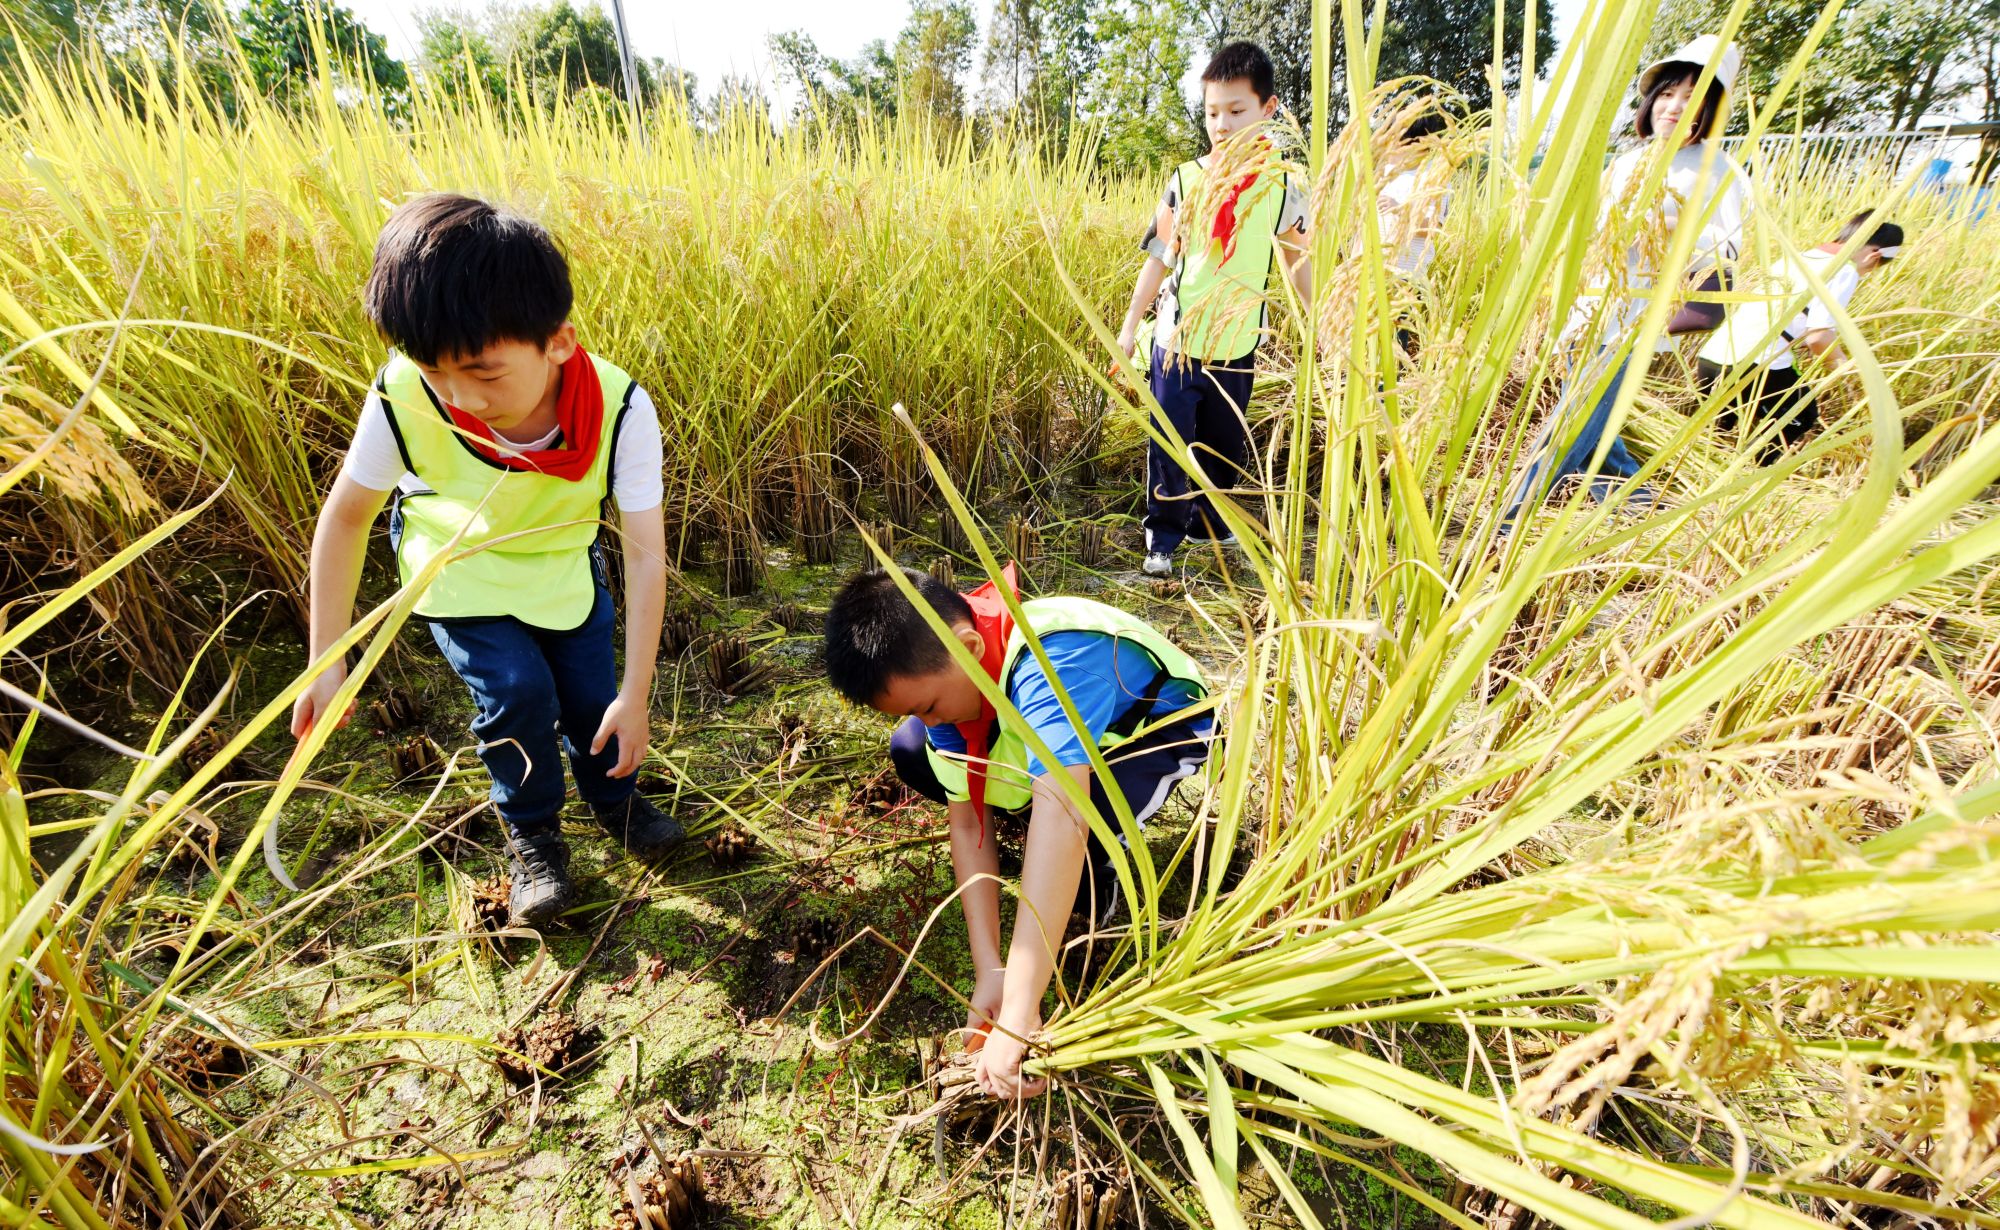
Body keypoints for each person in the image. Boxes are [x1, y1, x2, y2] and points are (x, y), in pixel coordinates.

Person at [291, 194, 683, 927]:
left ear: (558, 342)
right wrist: (328, 661)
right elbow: (344, 520)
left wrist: (638, 694)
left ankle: (617, 803)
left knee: (595, 698)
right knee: (516, 690)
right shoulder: (403, 396)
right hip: (458, 567)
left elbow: (645, 555)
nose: (461, 399)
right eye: (437, 373)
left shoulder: (623, 408)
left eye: (483, 372)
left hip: (562, 568)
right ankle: (533, 835)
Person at [822, 567, 1213, 1099]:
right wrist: (992, 969)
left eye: (930, 706)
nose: (933, 718)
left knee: (1081, 824)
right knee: (913, 748)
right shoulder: (952, 675)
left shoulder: (1053, 659)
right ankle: (1046, 844)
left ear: (968, 645)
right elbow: (967, 820)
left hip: (1151, 730)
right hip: (1054, 745)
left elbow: (1064, 812)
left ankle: (1098, 871)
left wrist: (1022, 1009)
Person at [1504, 34, 1750, 526]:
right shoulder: (1628, 164)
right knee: (1597, 427)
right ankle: (1642, 505)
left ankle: (1507, 521)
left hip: (1630, 324)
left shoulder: (1717, 172)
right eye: (1666, 93)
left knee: (1572, 426)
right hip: (1584, 313)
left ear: (1713, 108)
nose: (1675, 106)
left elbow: (1720, 263)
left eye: (1691, 96)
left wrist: (1660, 322)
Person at [1113, 40, 1312, 578]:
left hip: (1237, 346)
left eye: (1236, 110)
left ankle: (1208, 523)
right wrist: (1131, 327)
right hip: (1176, 343)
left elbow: (1298, 263)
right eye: (1211, 112)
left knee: (1224, 448)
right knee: (1169, 446)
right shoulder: (1186, 180)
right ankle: (1164, 535)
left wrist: (1322, 324)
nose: (1221, 125)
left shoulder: (1283, 187)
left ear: (1268, 110)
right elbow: (1158, 260)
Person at [1694, 211, 1902, 461]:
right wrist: (1848, 374)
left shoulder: (1799, 258)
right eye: (1875, 269)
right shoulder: (1843, 270)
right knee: (1801, 414)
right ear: (1874, 256)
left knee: (1713, 435)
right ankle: (1752, 478)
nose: (1868, 273)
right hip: (1754, 364)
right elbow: (1819, 337)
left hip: (1712, 356)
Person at [1377, 111, 1453, 356]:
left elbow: (1433, 227)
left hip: (1404, 276)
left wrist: (1401, 211)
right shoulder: (1387, 171)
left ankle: (1384, 394)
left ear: (1417, 143)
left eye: (1394, 139)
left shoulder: (1434, 177)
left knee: (1392, 347)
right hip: (1374, 269)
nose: (1388, 145)